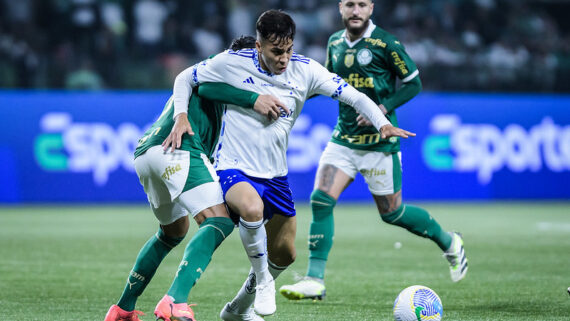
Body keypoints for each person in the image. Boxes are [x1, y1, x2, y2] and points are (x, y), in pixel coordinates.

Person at [163, 9, 415, 321]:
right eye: (276, 51)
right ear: (258, 46)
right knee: (251, 209)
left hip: (276, 176)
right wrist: (181, 115)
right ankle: (263, 281)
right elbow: (185, 78)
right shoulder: (233, 61)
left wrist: (381, 123)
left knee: (285, 254)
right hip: (233, 167)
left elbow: (354, 96)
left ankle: (237, 309)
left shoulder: (305, 70)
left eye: (288, 49)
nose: (283, 58)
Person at [278, 0, 468, 302]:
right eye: (350, 4)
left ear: (371, 8)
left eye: (362, 5)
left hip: (380, 142)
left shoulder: (387, 43)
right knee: (320, 199)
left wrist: (382, 108)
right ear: (341, 8)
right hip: (344, 139)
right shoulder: (334, 42)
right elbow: (328, 82)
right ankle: (315, 279)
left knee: (393, 213)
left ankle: (449, 241)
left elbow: (413, 83)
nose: (356, 11)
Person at [103, 36, 286, 321]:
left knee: (172, 232)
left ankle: (123, 309)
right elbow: (210, 88)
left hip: (147, 152)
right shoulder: (218, 74)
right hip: (178, 149)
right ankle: (175, 300)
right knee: (220, 219)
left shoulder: (213, 81)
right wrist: (255, 100)